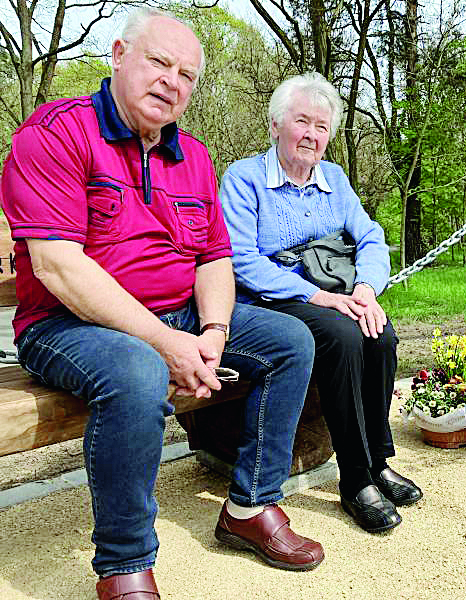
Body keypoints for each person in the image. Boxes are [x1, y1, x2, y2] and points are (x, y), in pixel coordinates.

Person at [0, 9, 323, 599]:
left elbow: (214, 258)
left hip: (176, 316)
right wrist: (166, 342)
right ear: (119, 55)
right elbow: (58, 267)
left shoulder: (194, 156)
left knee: (289, 341)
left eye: (187, 75)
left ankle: (252, 505)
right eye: (159, 62)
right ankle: (125, 564)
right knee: (137, 371)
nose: (172, 81)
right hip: (66, 323)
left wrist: (214, 332)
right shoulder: (54, 132)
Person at [219, 72, 423, 534]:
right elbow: (240, 259)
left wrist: (366, 291)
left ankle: (378, 460)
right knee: (341, 336)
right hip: (270, 299)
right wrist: (321, 297)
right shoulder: (244, 177)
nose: (312, 135)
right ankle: (354, 478)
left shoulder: (332, 178)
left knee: (380, 333)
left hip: (334, 292)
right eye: (302, 122)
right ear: (275, 126)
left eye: (322, 127)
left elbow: (370, 236)